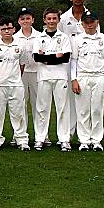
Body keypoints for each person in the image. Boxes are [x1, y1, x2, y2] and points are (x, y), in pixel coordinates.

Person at [70, 11, 104, 152]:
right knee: (83, 110)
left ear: (97, 22)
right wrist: (74, 79)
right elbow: (74, 61)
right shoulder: (77, 39)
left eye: (92, 21)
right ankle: (83, 140)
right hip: (82, 76)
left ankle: (96, 140)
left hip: (99, 76)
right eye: (86, 22)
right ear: (82, 24)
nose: (89, 24)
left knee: (97, 109)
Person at [59, 0, 96, 141]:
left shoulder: (91, 17)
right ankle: (68, 134)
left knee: (85, 103)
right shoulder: (63, 18)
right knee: (68, 102)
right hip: (67, 65)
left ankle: (86, 136)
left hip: (86, 66)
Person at [0, 17, 29, 151]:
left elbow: (22, 65)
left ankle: (21, 139)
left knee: (18, 113)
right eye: (3, 29)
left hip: (16, 85)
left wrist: (15, 79)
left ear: (14, 29)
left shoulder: (20, 46)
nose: (6, 31)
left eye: (9, 28)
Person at [32, 8, 72, 152]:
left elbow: (66, 58)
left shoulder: (64, 37)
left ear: (58, 20)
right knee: (42, 109)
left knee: (62, 109)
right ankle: (40, 139)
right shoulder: (39, 38)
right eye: (49, 19)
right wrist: (56, 56)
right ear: (44, 20)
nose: (51, 21)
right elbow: (37, 58)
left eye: (54, 18)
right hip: (43, 77)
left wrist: (46, 58)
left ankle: (64, 139)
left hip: (61, 76)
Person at [13, 7, 43, 145]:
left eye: (28, 18)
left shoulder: (40, 36)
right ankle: (19, 135)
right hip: (20, 75)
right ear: (19, 21)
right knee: (20, 105)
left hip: (37, 73)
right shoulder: (14, 38)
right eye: (22, 18)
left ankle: (41, 136)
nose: (25, 21)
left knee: (39, 105)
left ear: (33, 20)